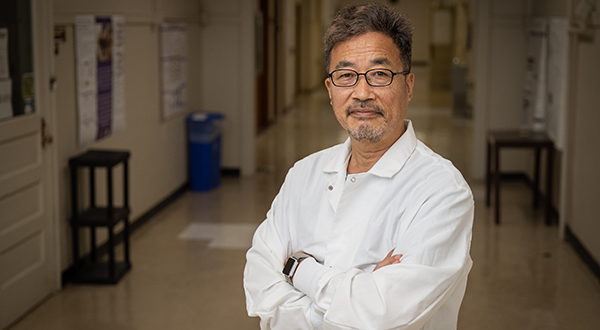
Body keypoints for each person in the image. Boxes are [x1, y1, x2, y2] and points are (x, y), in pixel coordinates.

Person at [243, 4, 473, 330]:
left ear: (408, 85)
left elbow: (385, 315)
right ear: (330, 90)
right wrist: (359, 289)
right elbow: (259, 285)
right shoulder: (303, 175)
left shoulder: (442, 191)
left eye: (379, 74)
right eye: (346, 75)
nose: (362, 93)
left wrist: (298, 269)